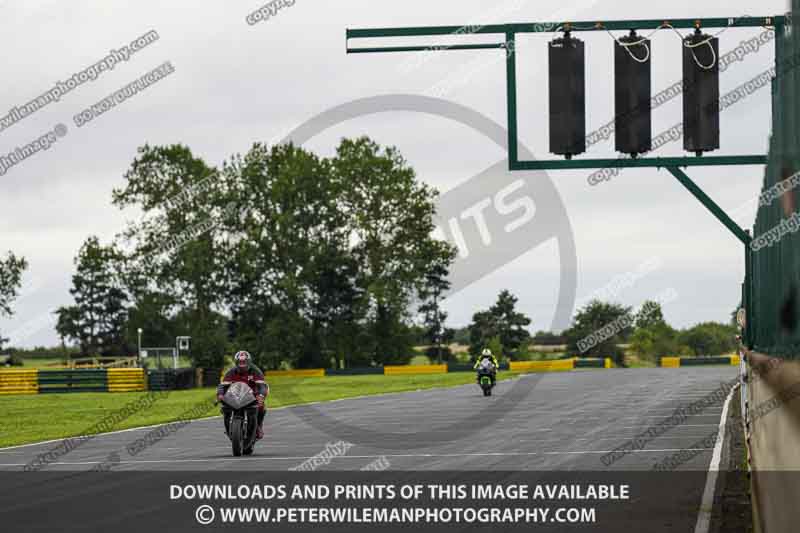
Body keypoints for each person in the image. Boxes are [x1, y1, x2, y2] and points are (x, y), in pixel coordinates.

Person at [217, 351, 269, 439]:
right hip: (236, 395)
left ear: (248, 362)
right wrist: (220, 394)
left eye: (244, 362)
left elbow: (262, 386)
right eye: (240, 362)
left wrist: (261, 396)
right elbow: (222, 386)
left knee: (261, 407)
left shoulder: (256, 371)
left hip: (252, 395)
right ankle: (229, 427)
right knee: (225, 408)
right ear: (236, 362)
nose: (242, 364)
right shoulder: (231, 372)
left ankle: (259, 427)